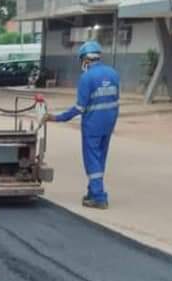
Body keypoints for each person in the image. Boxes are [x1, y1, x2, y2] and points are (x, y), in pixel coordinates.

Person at [45, 41, 120, 209]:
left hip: (92, 125)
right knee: (100, 158)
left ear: (85, 59)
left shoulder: (87, 78)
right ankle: (93, 191)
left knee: (92, 160)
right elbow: (116, 101)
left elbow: (80, 107)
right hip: (108, 123)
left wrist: (57, 118)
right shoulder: (113, 74)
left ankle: (99, 197)